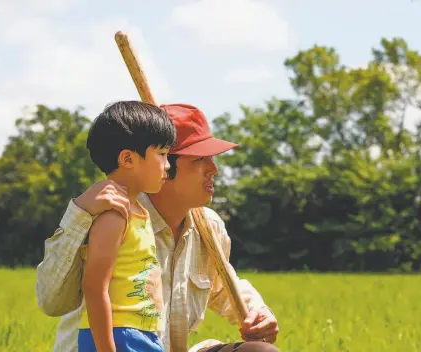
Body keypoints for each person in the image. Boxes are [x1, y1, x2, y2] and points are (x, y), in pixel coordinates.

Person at [36, 103, 280, 352]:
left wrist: (258, 311)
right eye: (200, 159)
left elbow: (224, 286)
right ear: (167, 166)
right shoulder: (112, 214)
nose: (214, 169)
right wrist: (79, 214)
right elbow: (51, 302)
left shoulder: (209, 227)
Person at [78, 100, 176, 351]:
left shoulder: (139, 212)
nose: (168, 165)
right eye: (163, 154)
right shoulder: (114, 214)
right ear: (128, 159)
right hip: (118, 335)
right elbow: (94, 287)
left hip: (142, 333)